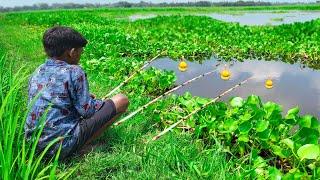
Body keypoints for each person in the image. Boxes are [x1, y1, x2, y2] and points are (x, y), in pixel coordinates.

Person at [25, 26, 129, 159]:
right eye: (80, 51)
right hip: (60, 147)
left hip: (33, 145)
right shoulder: (75, 71)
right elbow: (88, 111)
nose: (80, 55)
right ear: (72, 52)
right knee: (121, 100)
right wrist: (97, 103)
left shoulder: (38, 70)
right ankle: (79, 147)